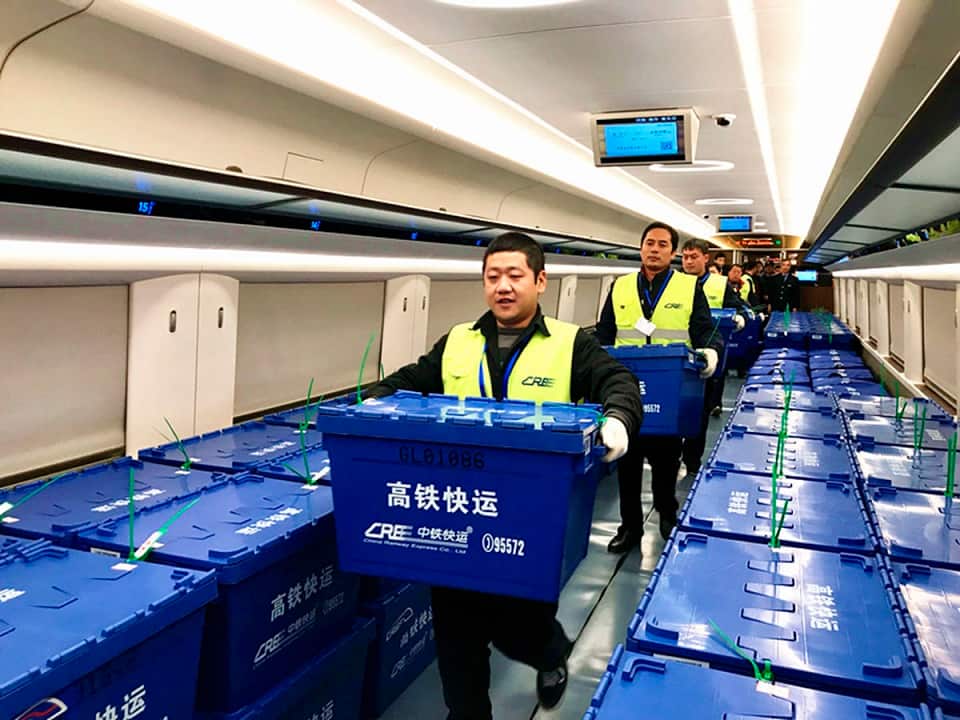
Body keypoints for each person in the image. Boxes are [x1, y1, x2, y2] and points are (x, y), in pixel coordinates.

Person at [367, 232, 643, 719]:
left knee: (519, 627)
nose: (503, 287)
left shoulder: (569, 343)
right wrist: (371, 400)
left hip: (527, 518)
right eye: (493, 277)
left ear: (540, 281)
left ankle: (550, 652)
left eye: (515, 276)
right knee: (457, 639)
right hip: (456, 509)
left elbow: (617, 381)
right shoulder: (458, 341)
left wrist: (617, 419)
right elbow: (412, 380)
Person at [595, 223, 723, 552]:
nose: (655, 249)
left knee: (667, 460)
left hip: (669, 389)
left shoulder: (687, 287)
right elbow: (605, 332)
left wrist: (711, 351)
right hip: (626, 387)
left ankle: (668, 513)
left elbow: (705, 330)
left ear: (672, 252)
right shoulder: (620, 287)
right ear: (641, 248)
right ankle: (630, 527)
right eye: (649, 243)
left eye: (662, 244)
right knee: (627, 462)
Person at [677, 239, 748, 474]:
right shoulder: (672, 283)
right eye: (685, 257)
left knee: (700, 411)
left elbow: (737, 306)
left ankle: (693, 462)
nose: (688, 261)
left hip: (708, 354)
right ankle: (674, 456)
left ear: (705, 258)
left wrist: (739, 318)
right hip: (678, 358)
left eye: (693, 256)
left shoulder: (720, 284)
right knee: (677, 411)